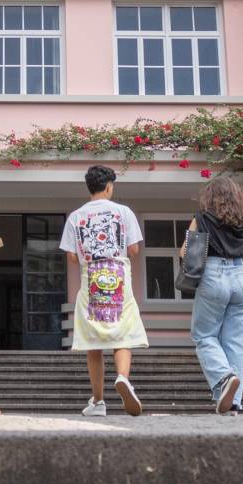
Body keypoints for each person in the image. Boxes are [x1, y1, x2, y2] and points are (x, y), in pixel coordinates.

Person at [59, 165, 148, 417]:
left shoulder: (75, 217)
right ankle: (123, 378)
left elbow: (72, 257)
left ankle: (98, 402)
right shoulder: (124, 212)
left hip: (91, 280)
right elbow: (133, 250)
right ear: (109, 186)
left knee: (93, 342)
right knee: (123, 333)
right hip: (119, 278)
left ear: (89, 187)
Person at [180, 175, 243, 415]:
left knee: (204, 336)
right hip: (241, 279)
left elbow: (185, 253)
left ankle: (224, 377)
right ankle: (233, 403)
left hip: (213, 276)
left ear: (211, 197)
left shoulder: (202, 218)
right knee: (236, 344)